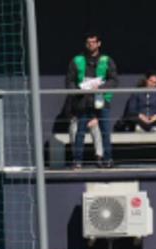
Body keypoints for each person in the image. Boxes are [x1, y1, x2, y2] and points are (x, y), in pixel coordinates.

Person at [66, 32, 118, 169]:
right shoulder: (77, 60)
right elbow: (69, 81)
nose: (91, 45)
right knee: (80, 132)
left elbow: (114, 80)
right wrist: (78, 90)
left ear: (99, 43)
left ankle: (107, 159)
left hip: (101, 101)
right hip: (83, 101)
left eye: (94, 42)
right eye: (89, 42)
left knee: (105, 132)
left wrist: (101, 87)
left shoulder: (107, 60)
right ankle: (77, 161)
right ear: (85, 44)